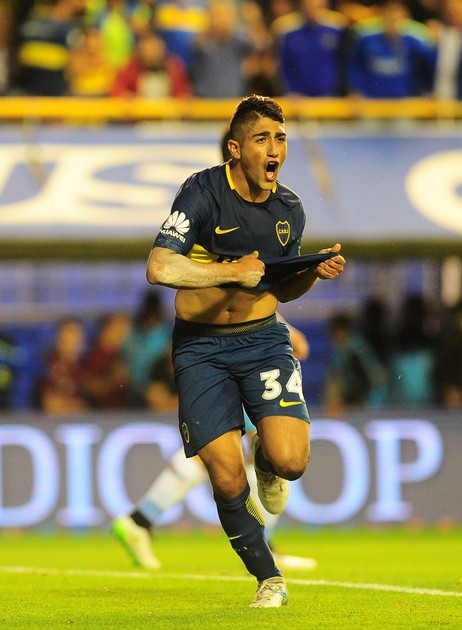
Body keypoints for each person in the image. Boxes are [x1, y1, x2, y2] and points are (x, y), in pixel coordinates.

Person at [144, 94, 346, 607]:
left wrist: (310, 272)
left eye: (280, 139)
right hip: (200, 349)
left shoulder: (289, 210)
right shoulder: (202, 192)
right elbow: (160, 267)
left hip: (262, 342)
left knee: (291, 462)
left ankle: (268, 459)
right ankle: (269, 579)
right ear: (236, 149)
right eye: (262, 139)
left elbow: (280, 288)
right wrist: (229, 271)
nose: (274, 149)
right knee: (224, 473)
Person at [112, 321, 318, 573]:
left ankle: (140, 521)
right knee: (254, 447)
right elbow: (251, 304)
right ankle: (265, 546)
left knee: (221, 450)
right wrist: (287, 329)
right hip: (242, 351)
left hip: (219, 350)